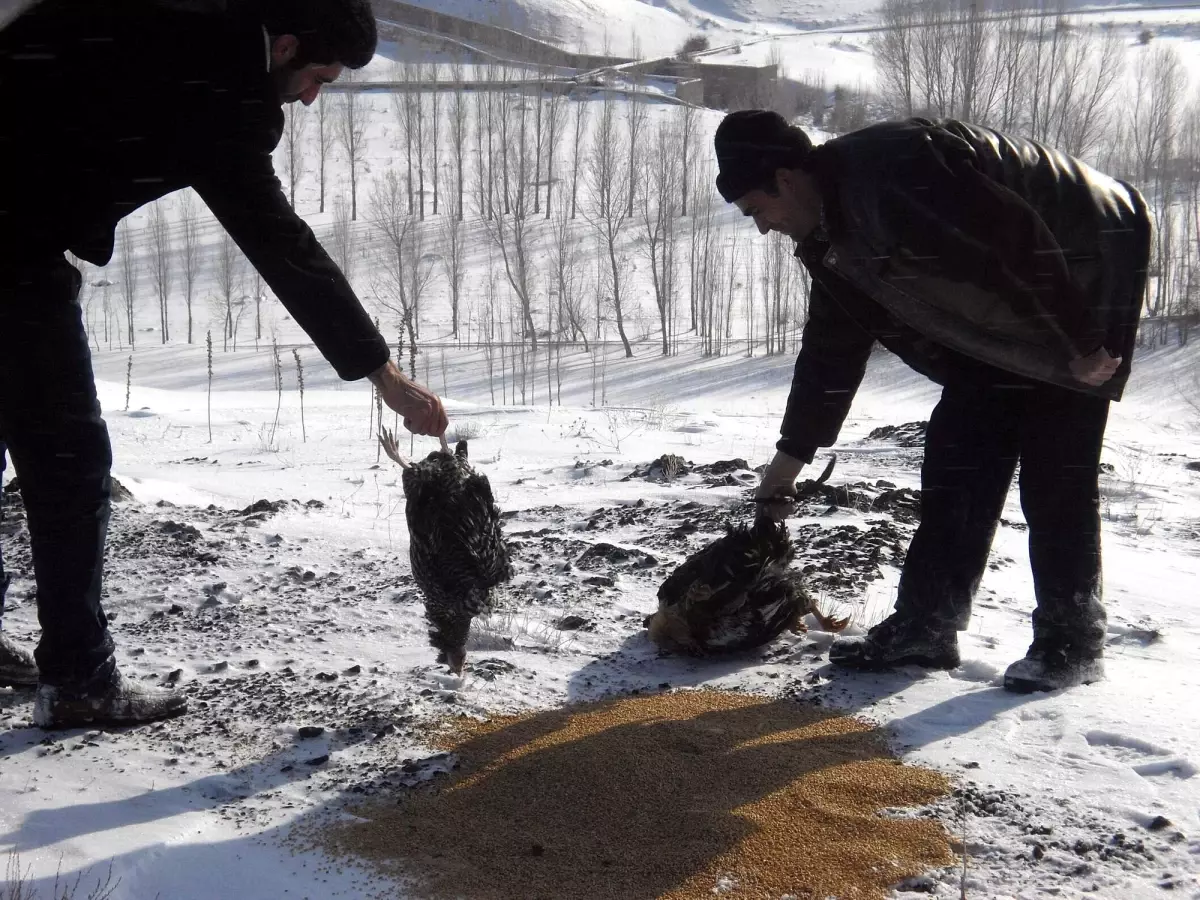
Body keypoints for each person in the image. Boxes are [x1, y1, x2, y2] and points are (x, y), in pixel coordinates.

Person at [0, 0, 448, 728]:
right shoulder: (220, 89)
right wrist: (382, 374)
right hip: (11, 252)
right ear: (286, 48)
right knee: (68, 464)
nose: (310, 99)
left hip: (16, 233)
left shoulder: (184, 24)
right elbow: (281, 244)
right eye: (318, 80)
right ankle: (80, 681)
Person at [715, 110, 1149, 693]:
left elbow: (1011, 240)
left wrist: (1084, 341)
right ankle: (927, 625)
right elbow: (831, 351)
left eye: (756, 210)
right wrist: (790, 458)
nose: (762, 228)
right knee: (959, 457)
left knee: (1055, 465)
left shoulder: (895, 171)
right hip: (1011, 302)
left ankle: (1070, 640)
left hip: (1087, 257)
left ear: (785, 180)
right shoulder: (831, 239)